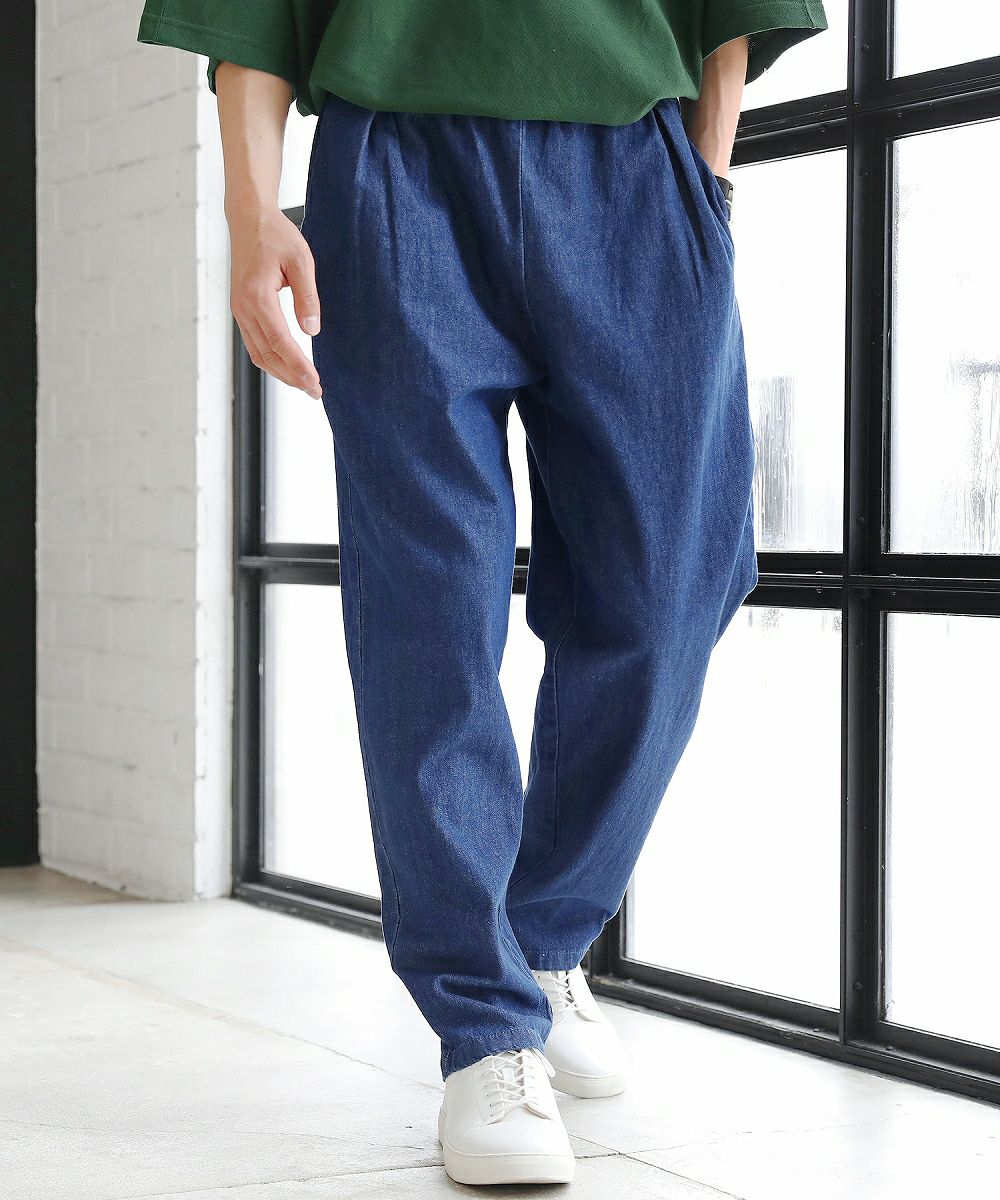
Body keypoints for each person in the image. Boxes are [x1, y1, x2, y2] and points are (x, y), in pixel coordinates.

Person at [138, 1, 828, 1187]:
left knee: (676, 582)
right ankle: (486, 1029)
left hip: (635, 163)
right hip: (397, 162)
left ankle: (540, 936)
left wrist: (705, 175)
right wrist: (254, 215)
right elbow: (250, 12)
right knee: (428, 608)